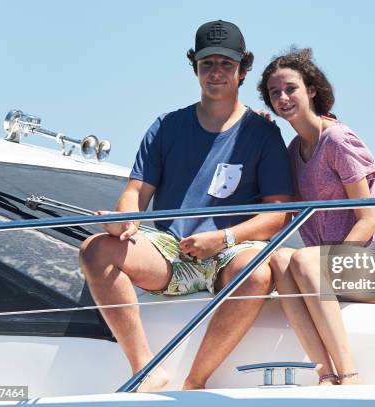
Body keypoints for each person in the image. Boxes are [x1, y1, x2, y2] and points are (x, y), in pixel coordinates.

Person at [79, 20, 294, 391]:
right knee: (95, 250)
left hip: (232, 249)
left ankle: (194, 384)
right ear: (194, 67)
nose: (216, 72)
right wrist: (125, 220)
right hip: (170, 250)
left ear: (243, 70)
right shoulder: (166, 126)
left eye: (226, 64)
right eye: (207, 63)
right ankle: (145, 369)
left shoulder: (264, 133)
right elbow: (136, 192)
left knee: (257, 272)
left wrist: (222, 238)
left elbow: (278, 214)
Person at [257, 48, 375, 385]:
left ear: (311, 90)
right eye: (274, 92)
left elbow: (365, 221)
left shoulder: (337, 139)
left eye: (290, 88)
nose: (282, 97)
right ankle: (324, 373)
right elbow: (286, 217)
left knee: (304, 261)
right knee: (280, 261)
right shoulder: (292, 153)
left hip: (374, 261)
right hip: (323, 268)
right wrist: (261, 135)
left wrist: (329, 264)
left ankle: (349, 374)